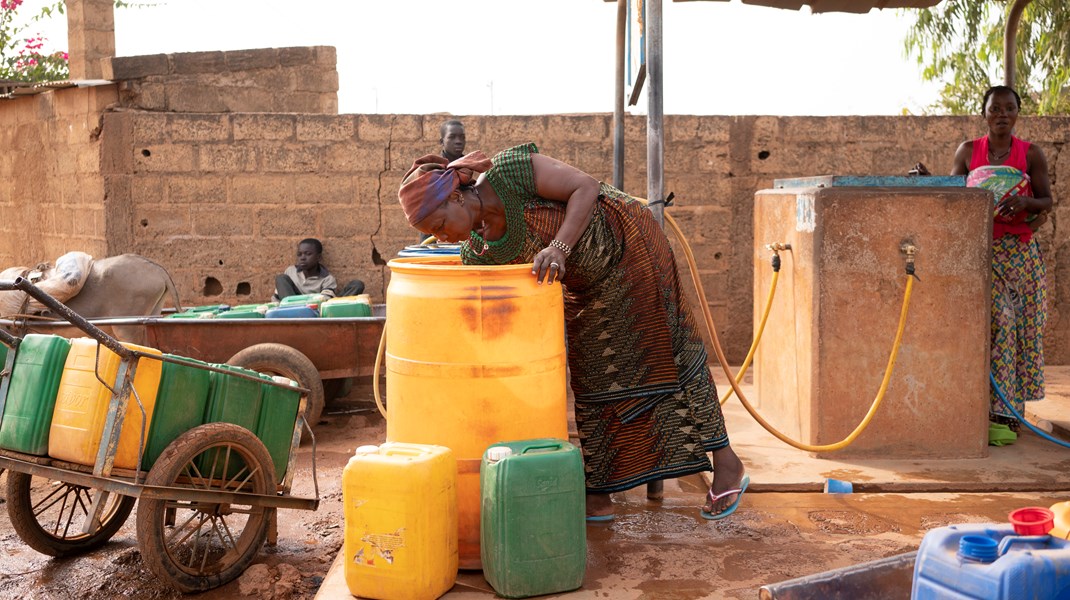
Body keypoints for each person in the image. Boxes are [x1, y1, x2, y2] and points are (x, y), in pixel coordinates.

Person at [398, 143, 748, 521]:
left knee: (666, 352)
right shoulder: (480, 249)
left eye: (438, 226)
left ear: (455, 196)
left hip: (630, 245)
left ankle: (727, 465)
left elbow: (585, 186)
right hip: (587, 283)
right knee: (594, 374)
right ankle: (598, 492)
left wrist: (559, 248)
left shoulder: (509, 172)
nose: (442, 238)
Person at [916, 86, 1052, 434]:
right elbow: (955, 196)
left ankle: (1010, 415)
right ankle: (996, 410)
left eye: (1009, 109)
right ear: (984, 113)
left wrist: (1025, 204)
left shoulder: (1030, 154)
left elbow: (1047, 201)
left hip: (1021, 256)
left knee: (1022, 330)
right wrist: (931, 181)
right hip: (985, 255)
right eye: (996, 109)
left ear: (1017, 114)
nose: (1002, 114)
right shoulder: (968, 151)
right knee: (1002, 323)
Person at [273, 238, 364, 301]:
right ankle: (294, 313)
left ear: (319, 257)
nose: (302, 258)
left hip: (316, 310)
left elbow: (324, 302)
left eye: (308, 254)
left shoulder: (327, 279)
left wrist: (310, 306)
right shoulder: (290, 271)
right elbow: (278, 298)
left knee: (357, 285)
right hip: (293, 308)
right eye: (299, 254)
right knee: (280, 278)